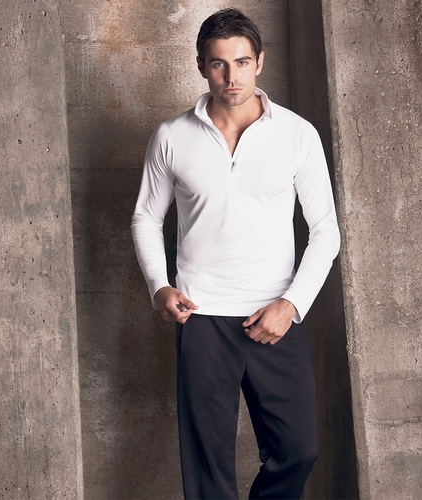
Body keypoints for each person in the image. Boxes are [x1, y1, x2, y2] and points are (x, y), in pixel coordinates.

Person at [131, 8, 340, 499]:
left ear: (260, 62)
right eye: (219, 64)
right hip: (201, 318)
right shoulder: (172, 137)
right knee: (207, 468)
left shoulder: (297, 134)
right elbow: (145, 217)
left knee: (298, 450)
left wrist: (291, 305)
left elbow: (326, 231)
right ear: (201, 66)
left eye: (242, 62)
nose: (232, 76)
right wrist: (159, 286)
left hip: (275, 316)